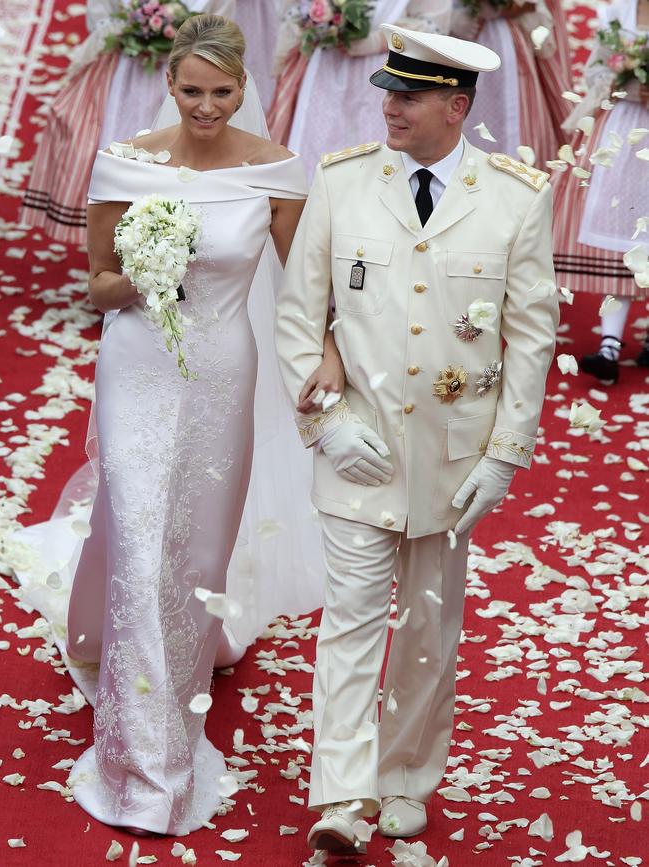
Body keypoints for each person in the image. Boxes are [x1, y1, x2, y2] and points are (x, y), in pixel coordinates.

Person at [15, 14, 344, 836]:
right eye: (191, 90)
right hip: (135, 367)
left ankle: (183, 663)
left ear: (245, 89)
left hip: (223, 371)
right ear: (168, 82)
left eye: (221, 92)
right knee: (137, 532)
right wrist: (136, 282)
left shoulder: (273, 169)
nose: (205, 106)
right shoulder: (127, 162)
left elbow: (305, 290)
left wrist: (329, 359)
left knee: (195, 546)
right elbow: (94, 281)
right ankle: (145, 758)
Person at [276, 24, 559, 855]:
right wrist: (325, 426)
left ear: (456, 105)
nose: (389, 107)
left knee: (430, 628)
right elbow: (301, 313)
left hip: (452, 458)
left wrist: (505, 456)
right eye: (390, 93)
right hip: (358, 446)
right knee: (354, 619)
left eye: (408, 96)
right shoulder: (342, 183)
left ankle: (403, 778)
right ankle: (340, 794)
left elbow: (531, 337)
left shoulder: (513, 197)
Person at [20, 0, 235, 245]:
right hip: (125, 70)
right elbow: (102, 16)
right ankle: (117, 231)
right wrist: (136, 29)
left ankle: (174, 226)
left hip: (189, 75)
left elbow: (221, 25)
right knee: (117, 145)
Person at [552, 0, 649, 384]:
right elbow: (596, 68)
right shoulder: (620, 12)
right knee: (623, 231)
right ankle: (609, 344)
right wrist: (624, 80)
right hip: (625, 131)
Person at [269, 0, 452, 178]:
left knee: (374, 156)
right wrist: (317, 19)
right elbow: (291, 9)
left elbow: (433, 24)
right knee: (314, 152)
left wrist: (379, 39)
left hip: (382, 71)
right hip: (324, 69)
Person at [451, 0, 572, 169]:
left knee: (514, 112)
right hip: (463, 42)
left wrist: (499, 6)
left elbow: (529, 5)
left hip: (506, 41)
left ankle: (516, 173)